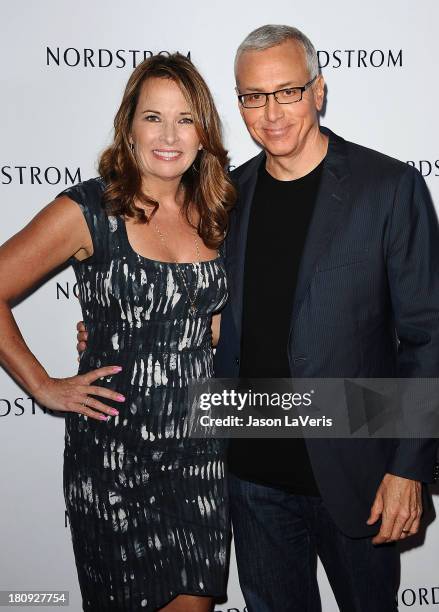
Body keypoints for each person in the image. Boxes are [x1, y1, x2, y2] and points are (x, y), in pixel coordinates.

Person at [76, 27, 439, 611]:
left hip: (357, 474)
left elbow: (428, 336)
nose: (271, 113)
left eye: (288, 91)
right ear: (238, 102)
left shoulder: (388, 188)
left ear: (318, 91)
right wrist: (116, 330)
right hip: (250, 480)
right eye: (253, 96)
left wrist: (409, 468)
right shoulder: (225, 198)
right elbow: (189, 301)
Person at [0, 53, 235, 612]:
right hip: (113, 459)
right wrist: (43, 385)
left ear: (203, 131)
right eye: (153, 117)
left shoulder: (218, 210)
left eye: (185, 118)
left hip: (199, 455)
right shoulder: (88, 210)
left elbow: (223, 328)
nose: (170, 135)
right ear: (129, 128)